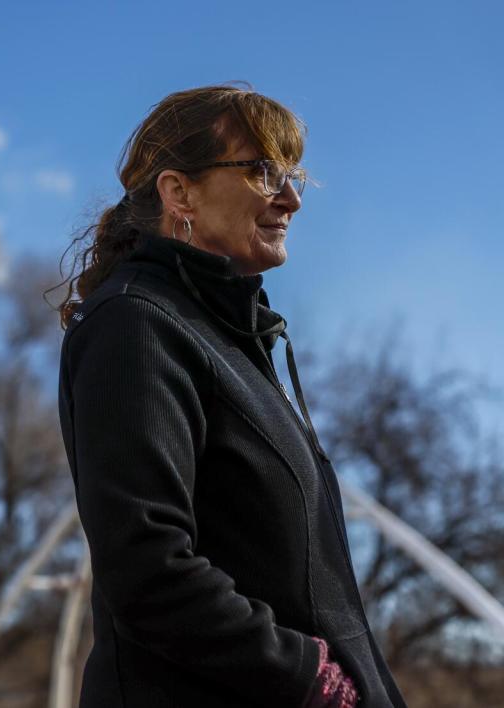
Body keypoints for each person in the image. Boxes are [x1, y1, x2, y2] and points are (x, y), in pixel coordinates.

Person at [54, 85, 408, 707]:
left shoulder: (228, 339)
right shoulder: (136, 326)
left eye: (293, 174)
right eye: (263, 171)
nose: (292, 198)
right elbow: (148, 570)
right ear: (179, 192)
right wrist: (315, 681)